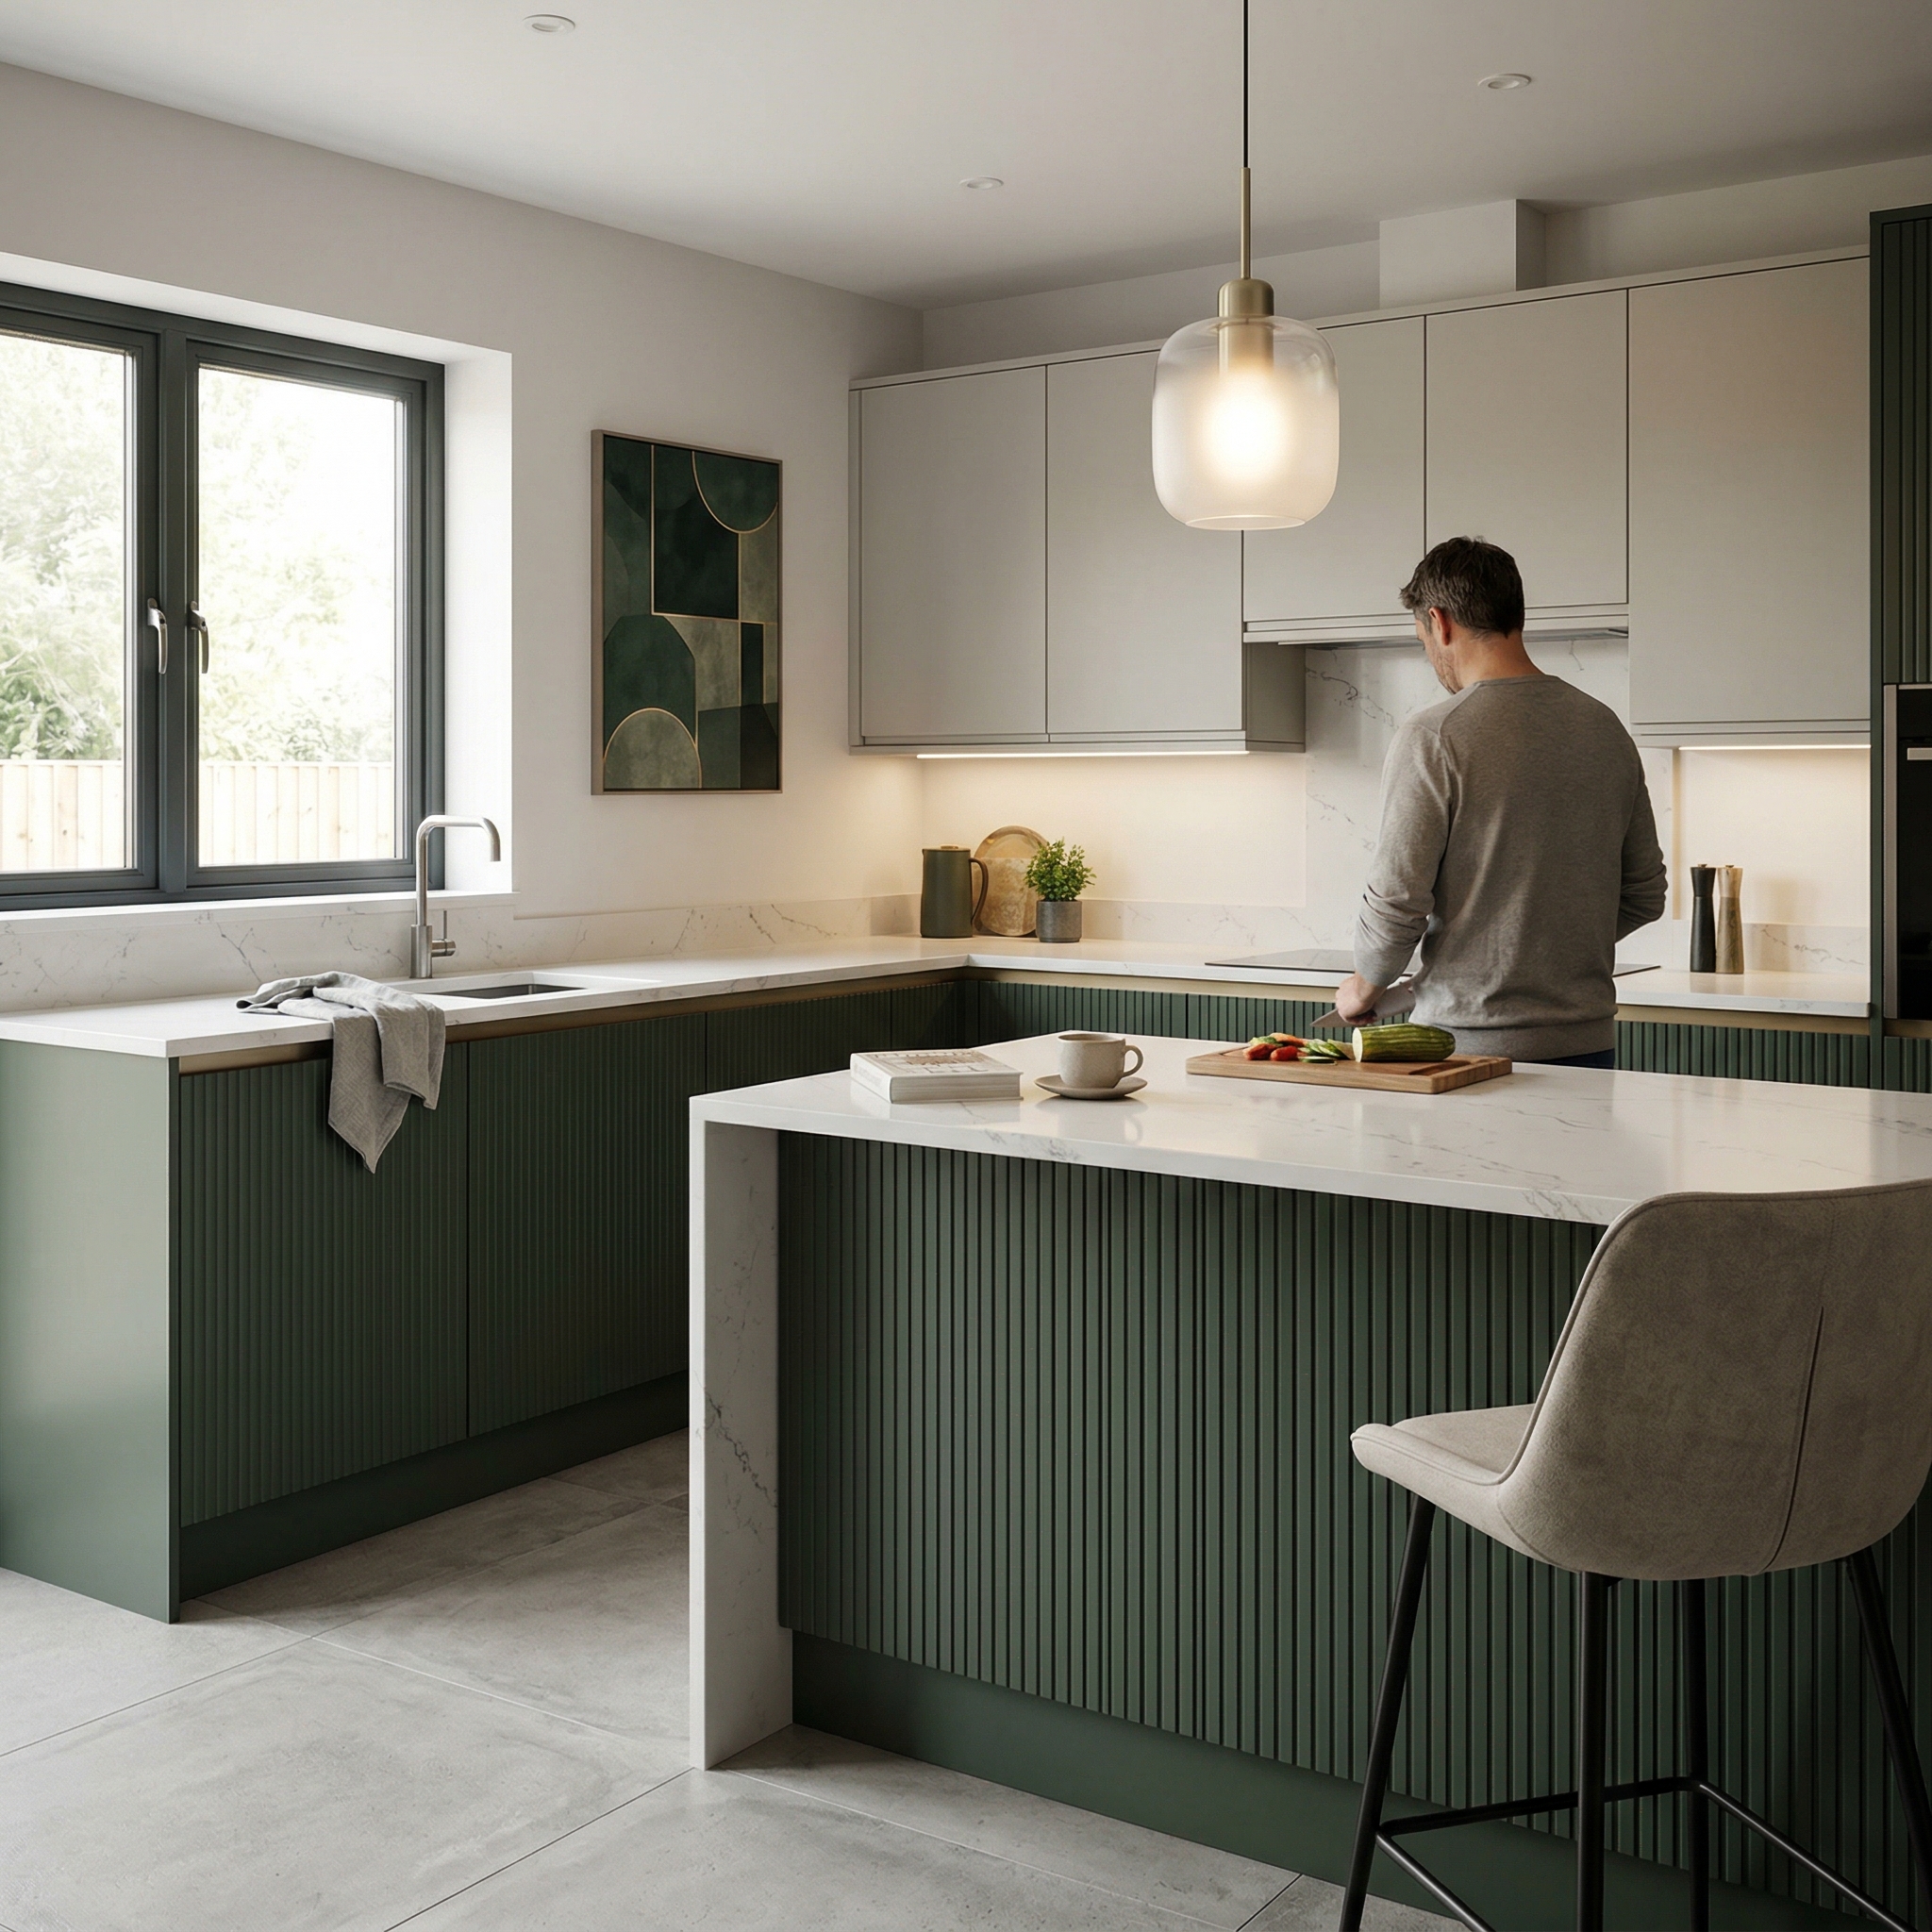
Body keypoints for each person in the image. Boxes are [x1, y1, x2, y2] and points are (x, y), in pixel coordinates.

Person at [1334, 537, 1667, 1068]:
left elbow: (1398, 900)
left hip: (1465, 1054)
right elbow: (1645, 895)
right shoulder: (1604, 728)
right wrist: (1541, 946)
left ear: (1438, 622)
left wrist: (1363, 987)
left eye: (1423, 638)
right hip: (1589, 1048)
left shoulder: (1435, 735)